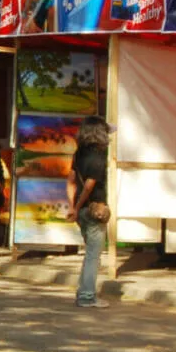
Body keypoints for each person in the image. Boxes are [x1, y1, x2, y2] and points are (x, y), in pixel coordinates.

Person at [67, 115, 112, 308]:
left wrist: (72, 206)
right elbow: (89, 185)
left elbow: (70, 180)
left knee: (89, 254)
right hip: (94, 210)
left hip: (81, 211)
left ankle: (83, 292)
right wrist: (77, 208)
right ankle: (86, 296)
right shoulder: (98, 157)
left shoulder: (79, 154)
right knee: (93, 255)